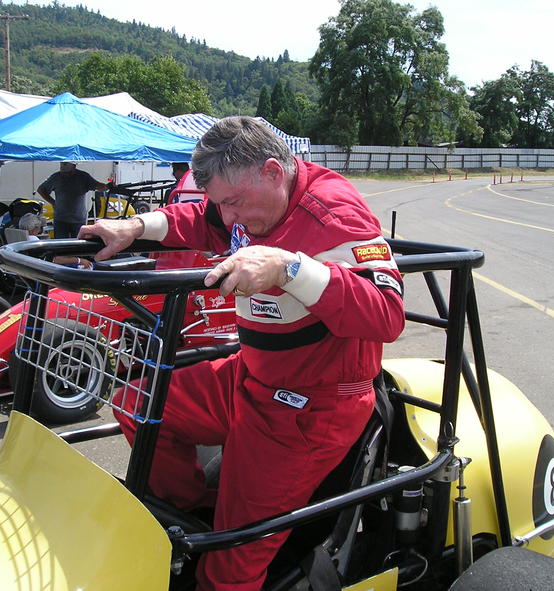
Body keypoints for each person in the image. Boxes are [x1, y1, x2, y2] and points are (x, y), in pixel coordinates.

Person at [78, 116, 405, 591]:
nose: (228, 219)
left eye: (233, 203)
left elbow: (386, 314)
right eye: (221, 203)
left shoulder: (335, 215)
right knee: (137, 403)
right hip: (252, 372)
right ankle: (189, 521)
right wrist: (134, 226)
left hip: (311, 401)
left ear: (273, 171)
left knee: (230, 565)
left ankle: (220, 545)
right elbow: (202, 219)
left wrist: (289, 268)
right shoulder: (252, 202)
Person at [36, 161, 110, 238]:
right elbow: (41, 190)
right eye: (63, 172)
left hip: (78, 220)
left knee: (78, 246)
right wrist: (53, 203)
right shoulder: (56, 177)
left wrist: (107, 187)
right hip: (61, 219)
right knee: (61, 246)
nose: (65, 174)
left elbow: (98, 186)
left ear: (74, 166)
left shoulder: (83, 177)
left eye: (68, 172)